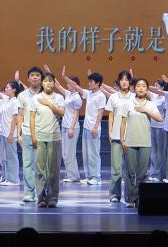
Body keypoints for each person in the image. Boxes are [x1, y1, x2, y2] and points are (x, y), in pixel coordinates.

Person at [120, 78, 163, 208]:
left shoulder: (151, 104)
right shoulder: (128, 104)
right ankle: (131, 198)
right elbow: (123, 123)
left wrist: (146, 110)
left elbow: (160, 118)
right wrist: (122, 140)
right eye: (138, 86)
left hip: (145, 142)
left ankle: (140, 198)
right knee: (130, 172)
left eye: (144, 86)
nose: (141, 88)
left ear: (147, 89)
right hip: (130, 142)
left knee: (142, 173)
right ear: (134, 88)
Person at [29, 72, 66, 207]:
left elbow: (61, 113)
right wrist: (33, 136)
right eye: (45, 81)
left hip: (54, 138)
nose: (48, 83)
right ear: (42, 83)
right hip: (40, 137)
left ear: (54, 83)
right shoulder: (36, 98)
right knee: (40, 170)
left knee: (53, 170)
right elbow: (32, 118)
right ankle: (41, 198)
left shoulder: (59, 97)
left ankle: (52, 198)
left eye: (50, 81)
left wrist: (48, 103)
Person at [67, 71, 105, 185]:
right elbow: (76, 86)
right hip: (86, 128)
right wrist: (64, 77)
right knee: (86, 154)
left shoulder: (101, 96)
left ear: (97, 83)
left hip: (94, 128)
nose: (89, 83)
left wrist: (95, 127)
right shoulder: (89, 93)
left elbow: (100, 113)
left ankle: (96, 177)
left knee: (94, 154)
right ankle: (89, 176)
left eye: (91, 81)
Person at [104, 70, 133, 202]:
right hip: (116, 136)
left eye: (127, 79)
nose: (124, 82)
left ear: (130, 82)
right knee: (116, 169)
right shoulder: (113, 97)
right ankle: (114, 195)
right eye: (122, 79)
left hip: (131, 137)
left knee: (130, 170)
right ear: (118, 82)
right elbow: (110, 115)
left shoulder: (134, 97)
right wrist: (110, 132)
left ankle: (130, 196)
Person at [17, 67, 44, 203]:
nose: (35, 77)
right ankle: (29, 193)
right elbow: (20, 115)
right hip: (27, 133)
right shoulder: (22, 95)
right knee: (27, 164)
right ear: (28, 79)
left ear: (41, 78)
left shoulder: (46, 95)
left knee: (41, 165)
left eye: (37, 75)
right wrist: (18, 134)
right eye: (32, 75)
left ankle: (41, 193)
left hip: (42, 133)